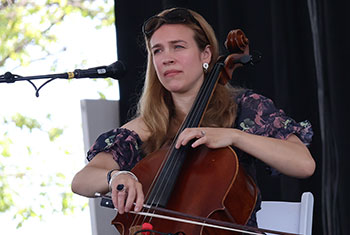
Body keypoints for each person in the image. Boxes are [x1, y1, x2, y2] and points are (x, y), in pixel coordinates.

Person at [71, 7, 315, 230]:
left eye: (178, 46)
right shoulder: (147, 127)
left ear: (206, 54)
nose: (167, 58)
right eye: (157, 50)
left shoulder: (244, 109)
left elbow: (303, 164)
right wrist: (116, 176)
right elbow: (82, 181)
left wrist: (234, 136)